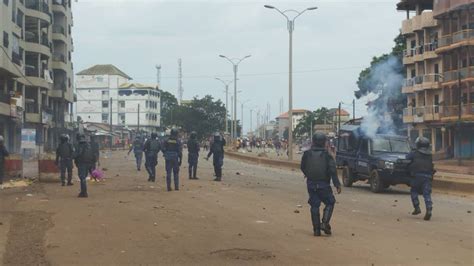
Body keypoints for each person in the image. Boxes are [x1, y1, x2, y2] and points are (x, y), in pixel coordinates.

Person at [301, 132, 341, 237]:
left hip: (311, 184)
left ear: (313, 142)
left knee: (314, 205)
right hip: (324, 184)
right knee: (330, 202)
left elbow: (303, 167)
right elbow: (333, 171)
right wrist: (337, 184)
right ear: (324, 142)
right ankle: (324, 223)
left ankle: (316, 230)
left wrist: (308, 174)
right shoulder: (327, 155)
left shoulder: (307, 154)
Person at [407, 137, 435, 221]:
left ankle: (417, 207)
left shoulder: (414, 153)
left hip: (417, 176)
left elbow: (407, 157)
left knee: (414, 191)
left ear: (418, 144)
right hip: (428, 177)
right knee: (427, 194)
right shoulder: (430, 155)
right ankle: (429, 208)